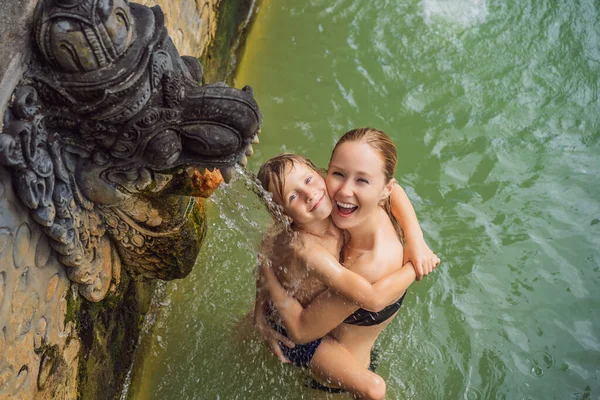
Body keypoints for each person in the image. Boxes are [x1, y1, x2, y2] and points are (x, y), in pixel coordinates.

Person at [255, 128, 440, 399]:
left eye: (362, 180)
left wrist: (417, 246)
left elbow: (373, 298)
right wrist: (261, 302)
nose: (345, 189)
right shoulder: (319, 220)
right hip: (306, 337)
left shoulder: (360, 252)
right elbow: (270, 245)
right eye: (338, 174)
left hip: (333, 373)